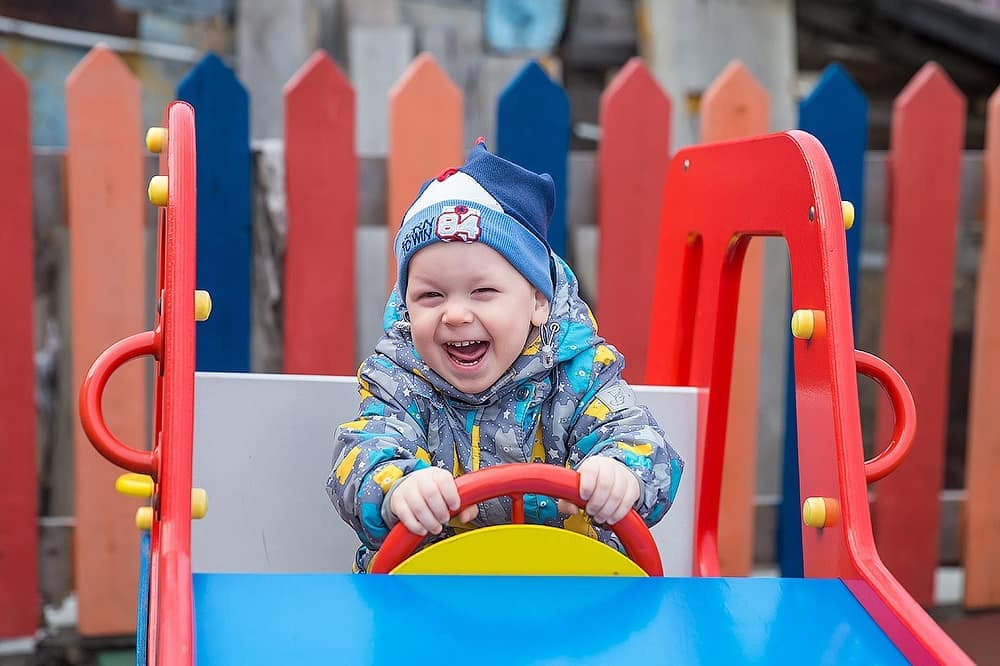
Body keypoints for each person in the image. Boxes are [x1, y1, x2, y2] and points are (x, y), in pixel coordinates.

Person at [327, 139, 683, 572]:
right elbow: (361, 451)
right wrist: (399, 489)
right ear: (406, 306)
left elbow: (643, 440)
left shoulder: (579, 377)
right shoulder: (400, 381)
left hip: (563, 597)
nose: (455, 314)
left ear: (537, 301)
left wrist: (621, 472)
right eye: (430, 295)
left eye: (483, 292)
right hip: (433, 601)